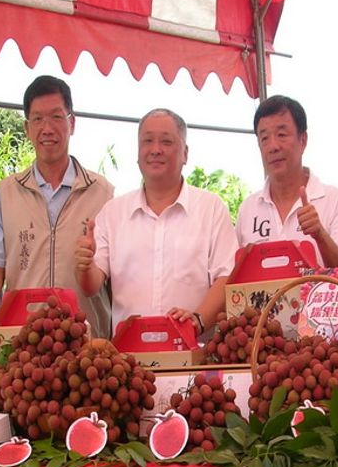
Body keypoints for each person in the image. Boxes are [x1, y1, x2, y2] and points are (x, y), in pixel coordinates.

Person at [0, 76, 116, 337]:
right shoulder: (7, 192)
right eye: (38, 119)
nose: (47, 128)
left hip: (87, 344)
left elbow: (111, 277)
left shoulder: (103, 192)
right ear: (26, 128)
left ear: (72, 123)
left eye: (56, 117)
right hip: (26, 345)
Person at [76, 108, 239, 334]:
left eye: (166, 141)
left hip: (194, 354)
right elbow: (91, 285)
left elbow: (227, 275)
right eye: (147, 141)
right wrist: (85, 266)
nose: (155, 150)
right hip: (129, 359)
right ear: (138, 152)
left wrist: (197, 321)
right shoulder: (113, 213)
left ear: (185, 153)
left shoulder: (210, 209)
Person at [235, 95, 338, 267]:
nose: (273, 146)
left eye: (282, 134)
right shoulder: (248, 209)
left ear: (303, 140)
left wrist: (320, 235)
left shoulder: (335, 201)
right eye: (264, 138)